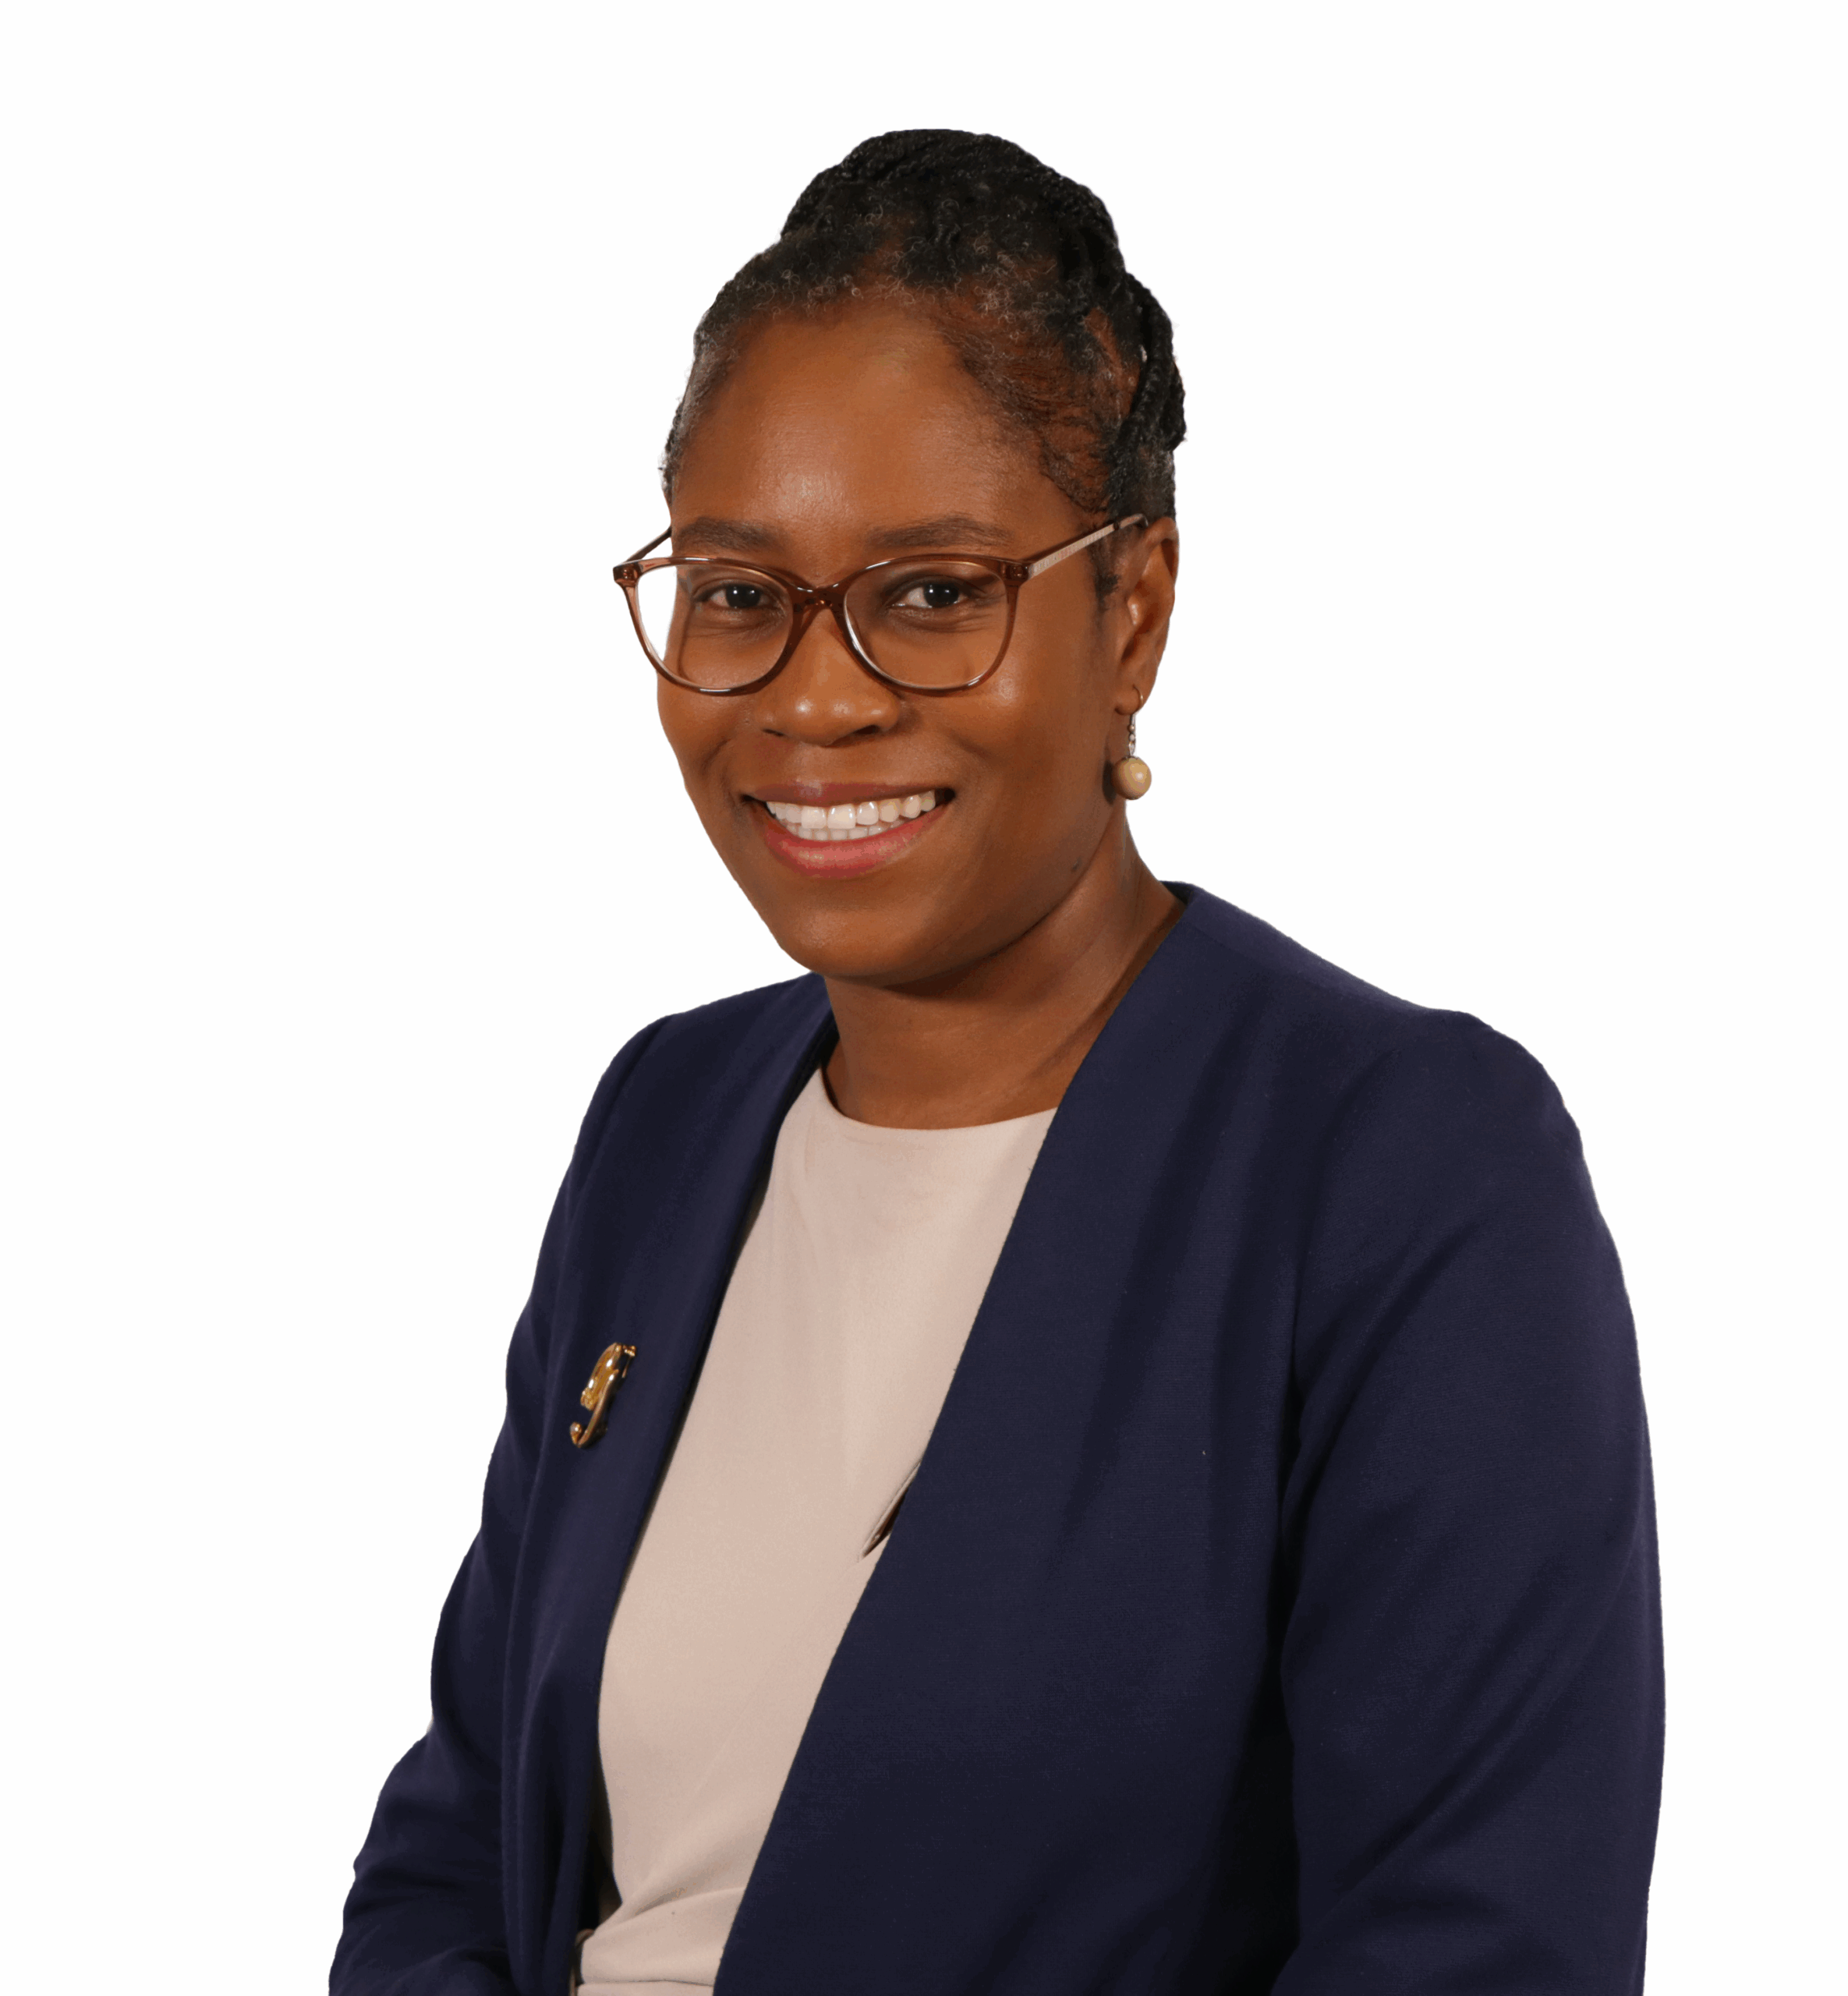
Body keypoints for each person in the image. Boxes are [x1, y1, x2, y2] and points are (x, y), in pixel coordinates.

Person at [332, 130, 1662, 1996]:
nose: (816, 695)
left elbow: (1480, 1944)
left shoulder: (1403, 1167)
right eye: (738, 591)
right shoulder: (663, 1121)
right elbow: (460, 1842)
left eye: (936, 592)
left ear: (1134, 610)